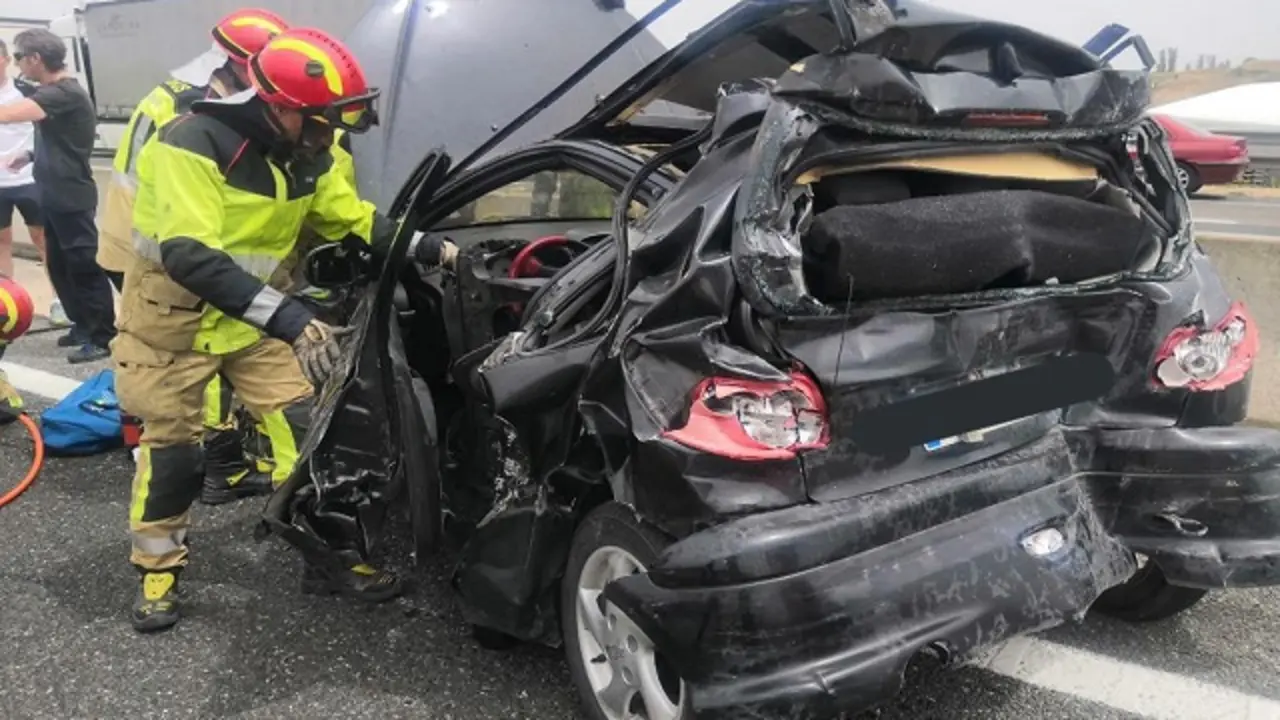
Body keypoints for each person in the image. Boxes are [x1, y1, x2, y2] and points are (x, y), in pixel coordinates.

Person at [117, 26, 456, 633]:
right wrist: (293, 319)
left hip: (252, 322)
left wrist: (433, 250)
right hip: (174, 325)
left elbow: (350, 219)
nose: (331, 134)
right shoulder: (191, 142)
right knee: (176, 459)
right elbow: (191, 256)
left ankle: (330, 557)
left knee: (324, 438)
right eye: (321, 119)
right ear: (275, 106)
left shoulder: (311, 154)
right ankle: (158, 570)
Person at [99, 8, 292, 506]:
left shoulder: (192, 96)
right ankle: (215, 465)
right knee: (189, 345)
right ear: (232, 64)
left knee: (198, 343)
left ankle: (204, 457)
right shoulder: (190, 108)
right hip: (149, 251)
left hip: (150, 240)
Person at [0, 29, 116, 364]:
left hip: (71, 195)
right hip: (51, 192)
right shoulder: (54, 93)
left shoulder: (64, 92)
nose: (20, 65)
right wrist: (31, 156)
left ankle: (102, 335)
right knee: (61, 266)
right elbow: (65, 139)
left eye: (20, 57)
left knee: (84, 266)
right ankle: (82, 325)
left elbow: (8, 114)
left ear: (36, 58)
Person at [0, 41, 44, 281]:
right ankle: (6, 300)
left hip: (29, 179)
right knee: (2, 242)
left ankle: (60, 300)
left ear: (6, 60)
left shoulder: (27, 92)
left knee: (42, 239)